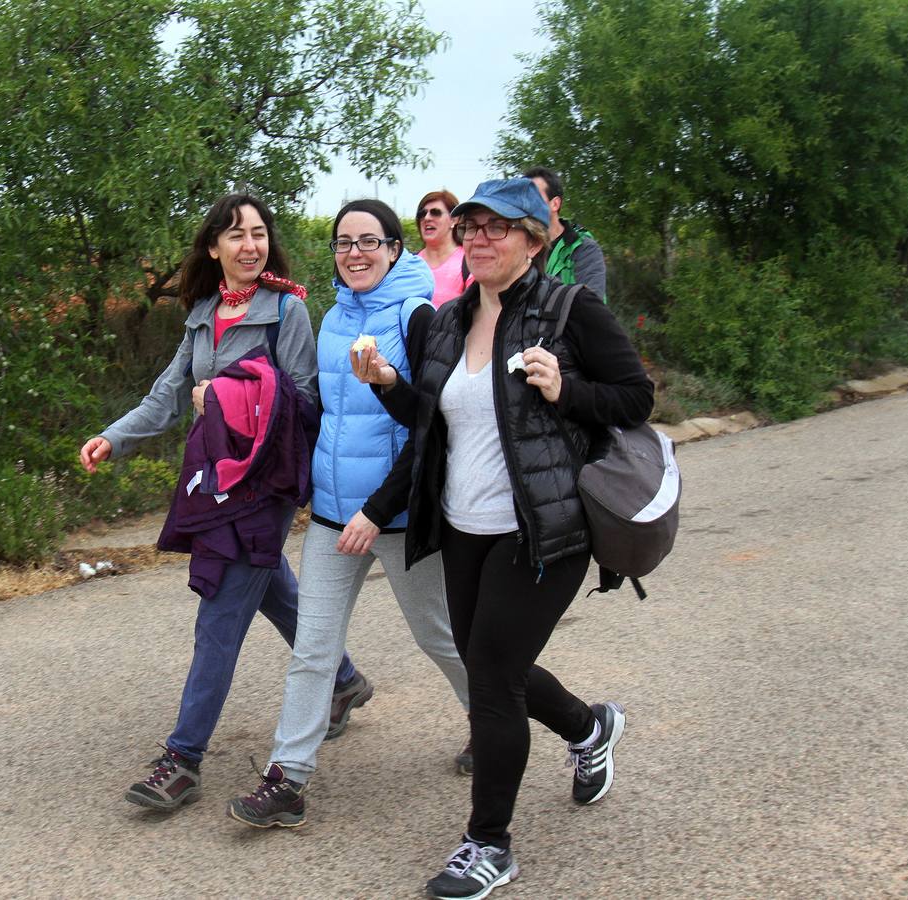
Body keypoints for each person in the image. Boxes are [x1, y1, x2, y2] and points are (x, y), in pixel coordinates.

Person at [351, 178, 653, 899]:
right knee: (496, 668)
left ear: (533, 238)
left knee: (489, 678)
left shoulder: (570, 311)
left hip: (543, 529)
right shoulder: (448, 321)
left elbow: (635, 398)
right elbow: (432, 420)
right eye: (470, 227)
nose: (478, 238)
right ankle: (589, 727)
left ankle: (489, 844)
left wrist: (566, 390)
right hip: (464, 528)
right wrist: (388, 382)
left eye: (497, 227)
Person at [78, 194, 363, 814]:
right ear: (213, 248)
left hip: (265, 485)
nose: (250, 245)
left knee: (219, 615)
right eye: (235, 235)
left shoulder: (285, 310)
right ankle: (343, 681)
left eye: (259, 233)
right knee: (268, 586)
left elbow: (304, 400)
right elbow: (166, 396)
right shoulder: (203, 315)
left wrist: (228, 398)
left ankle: (183, 760)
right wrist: (113, 437)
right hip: (218, 478)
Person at [227, 199, 472, 829]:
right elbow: (322, 414)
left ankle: (490, 721)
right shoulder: (333, 318)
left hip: (396, 516)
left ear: (394, 248)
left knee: (439, 636)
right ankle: (288, 779)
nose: (354, 253)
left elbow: (432, 426)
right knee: (313, 649)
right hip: (335, 515)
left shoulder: (419, 317)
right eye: (343, 243)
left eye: (369, 241)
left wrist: (379, 508)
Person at [524, 165, 608, 300]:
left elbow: (592, 305)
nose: (526, 205)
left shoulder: (584, 249)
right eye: (523, 199)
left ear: (555, 204)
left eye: (534, 198)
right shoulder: (518, 248)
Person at [415, 190, 469, 306]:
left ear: (454, 219)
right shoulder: (409, 263)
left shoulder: (470, 261)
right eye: (422, 214)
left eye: (435, 212)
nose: (427, 218)